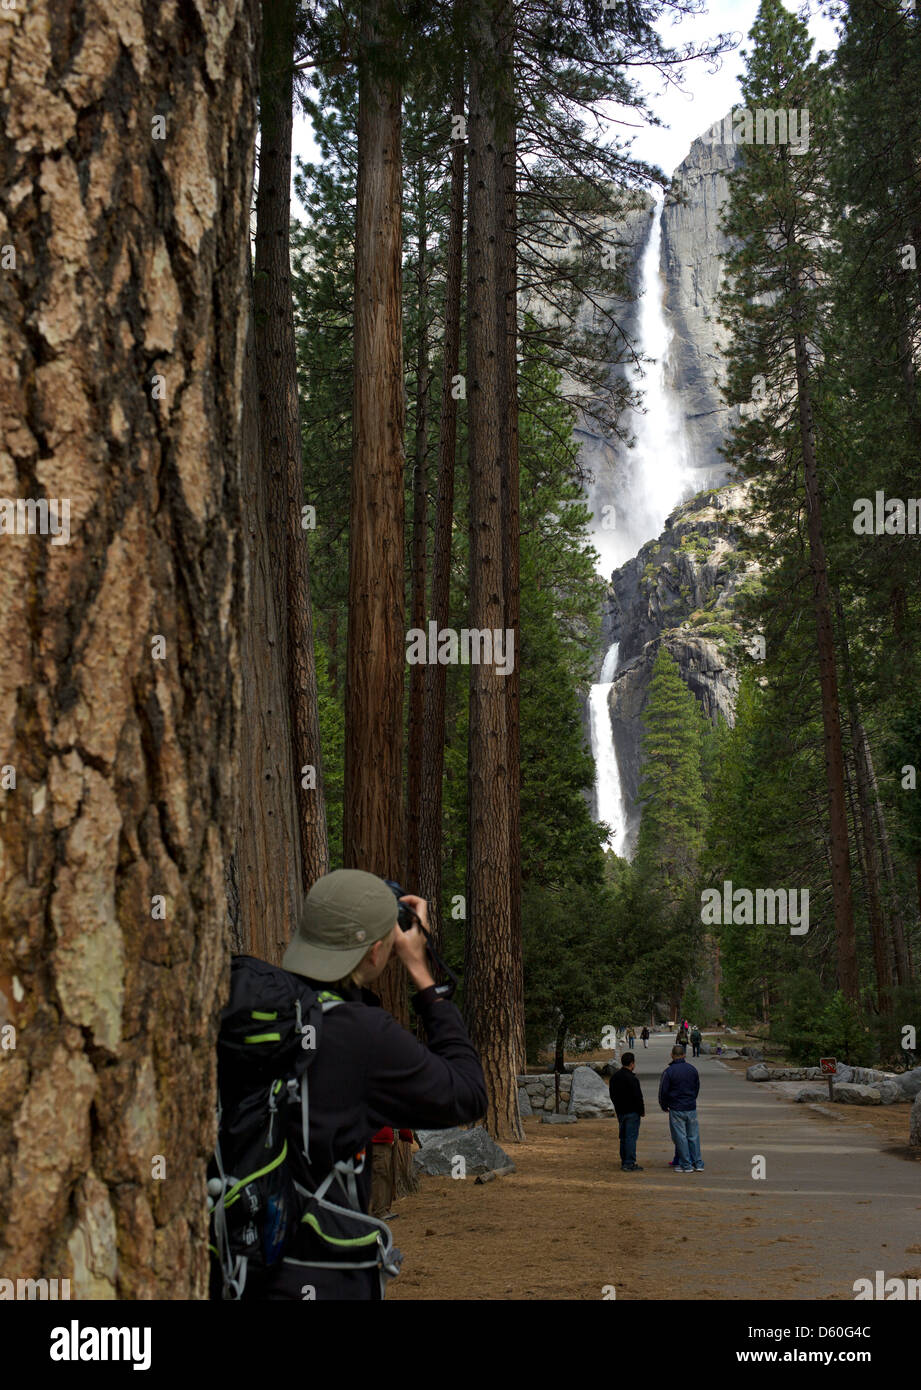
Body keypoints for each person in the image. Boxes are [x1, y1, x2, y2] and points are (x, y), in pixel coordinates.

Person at [225, 869, 486, 1299]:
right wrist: (423, 976)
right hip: (321, 1268)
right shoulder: (361, 1034)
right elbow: (468, 1095)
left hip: (234, 1265)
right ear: (376, 952)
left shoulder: (253, 1011)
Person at [658, 1043, 704, 1173]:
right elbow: (696, 1087)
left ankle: (686, 1164)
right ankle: (698, 1162)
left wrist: (663, 1104)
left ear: (672, 1055)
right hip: (690, 1106)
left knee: (680, 1137)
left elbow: (663, 1091)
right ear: (684, 1055)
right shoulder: (692, 1069)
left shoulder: (669, 1071)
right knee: (693, 1135)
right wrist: (692, 1098)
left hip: (676, 1107)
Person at [609, 1051, 645, 1171]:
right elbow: (638, 1097)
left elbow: (612, 1094)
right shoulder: (632, 1079)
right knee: (631, 1137)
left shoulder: (615, 1077)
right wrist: (641, 1110)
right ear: (632, 1063)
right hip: (632, 1112)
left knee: (623, 1137)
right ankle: (629, 1162)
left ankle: (624, 1159)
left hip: (621, 1111)